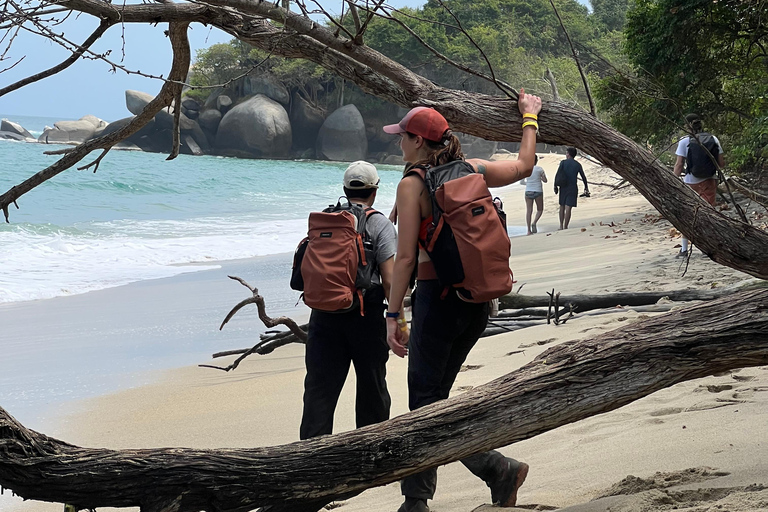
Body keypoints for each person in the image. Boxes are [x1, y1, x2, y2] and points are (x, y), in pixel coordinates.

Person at [382, 89, 542, 512]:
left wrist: (393, 314)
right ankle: (418, 499)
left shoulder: (412, 185)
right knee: (431, 402)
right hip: (475, 303)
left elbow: (404, 262)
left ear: (418, 141)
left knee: (425, 407)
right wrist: (529, 118)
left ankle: (494, 470)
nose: (398, 142)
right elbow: (526, 165)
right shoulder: (473, 169)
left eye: (403, 136)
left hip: (438, 302)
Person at [299, 161, 399, 441]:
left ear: (344, 189)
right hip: (365, 316)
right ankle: (372, 452)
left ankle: (311, 457)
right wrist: (396, 318)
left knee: (319, 391)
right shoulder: (380, 223)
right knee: (372, 387)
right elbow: (390, 279)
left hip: (323, 315)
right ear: (374, 192)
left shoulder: (326, 220)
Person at [673, 113, 725, 258]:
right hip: (710, 180)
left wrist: (673, 180)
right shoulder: (713, 139)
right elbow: (721, 164)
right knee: (709, 213)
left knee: (687, 214)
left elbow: (679, 165)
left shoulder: (685, 141)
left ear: (687, 126)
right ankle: (709, 247)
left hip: (691, 182)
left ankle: (684, 249)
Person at [553, 147, 588, 230]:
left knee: (562, 206)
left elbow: (557, 174)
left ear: (568, 154)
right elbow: (583, 177)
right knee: (568, 207)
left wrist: (555, 186)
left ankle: (561, 226)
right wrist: (586, 187)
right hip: (573, 187)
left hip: (563, 187)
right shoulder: (577, 164)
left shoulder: (563, 163)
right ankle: (566, 226)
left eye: (566, 153)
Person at [524, 154, 547, 234]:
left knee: (529, 211)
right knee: (540, 209)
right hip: (538, 190)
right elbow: (545, 180)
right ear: (536, 161)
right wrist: (540, 177)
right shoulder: (539, 169)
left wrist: (528, 183)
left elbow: (522, 182)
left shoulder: (526, 169)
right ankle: (534, 222)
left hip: (528, 191)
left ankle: (528, 230)